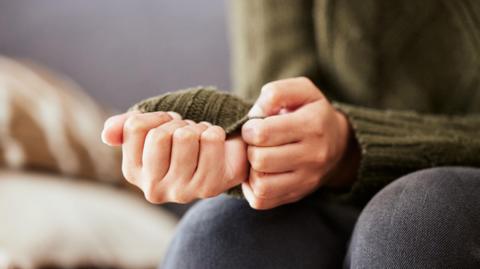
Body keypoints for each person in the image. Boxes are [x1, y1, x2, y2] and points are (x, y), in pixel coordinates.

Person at [102, 0, 480, 268]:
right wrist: (256, 149)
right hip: (329, 189)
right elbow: (275, 94)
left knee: (419, 221)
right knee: (221, 234)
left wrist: (347, 146)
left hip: (435, 188)